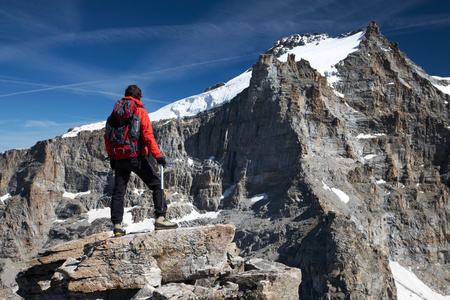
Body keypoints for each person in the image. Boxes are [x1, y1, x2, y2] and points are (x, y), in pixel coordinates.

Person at [104, 85, 178, 237]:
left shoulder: (114, 113)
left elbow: (108, 137)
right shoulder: (140, 110)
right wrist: (158, 156)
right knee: (157, 185)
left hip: (119, 158)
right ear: (139, 97)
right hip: (135, 157)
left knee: (119, 192)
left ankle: (117, 226)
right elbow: (147, 135)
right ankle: (160, 218)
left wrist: (112, 156)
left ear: (125, 95)